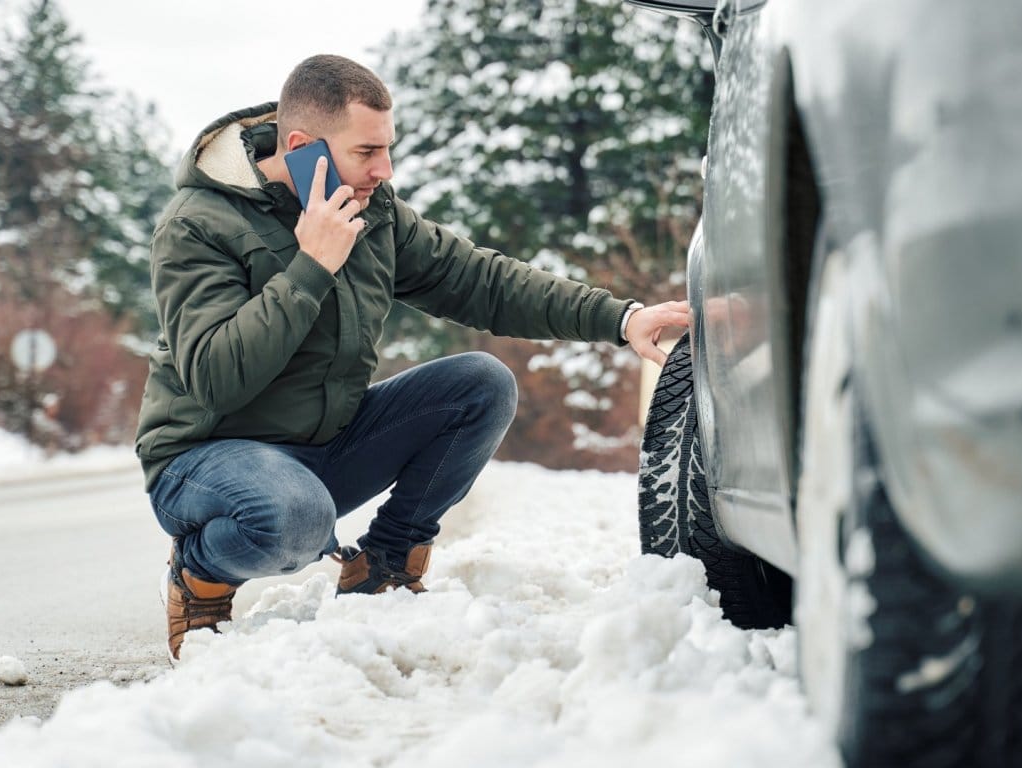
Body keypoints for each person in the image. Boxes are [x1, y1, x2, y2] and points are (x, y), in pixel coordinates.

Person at [136, 54, 691, 660]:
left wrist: (621, 318)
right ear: (302, 148)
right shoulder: (199, 224)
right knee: (292, 517)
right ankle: (199, 576)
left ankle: (386, 563)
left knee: (481, 383)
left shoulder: (372, 211)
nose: (385, 169)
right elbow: (216, 377)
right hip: (208, 459)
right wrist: (311, 265)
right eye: (367, 152)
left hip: (322, 448)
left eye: (387, 148)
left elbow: (483, 281)